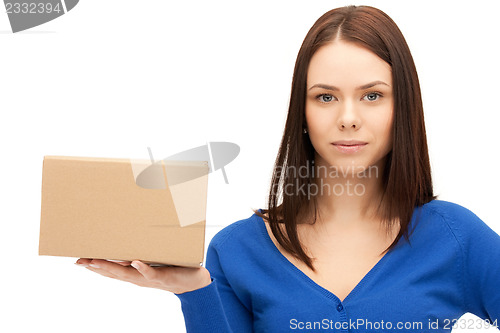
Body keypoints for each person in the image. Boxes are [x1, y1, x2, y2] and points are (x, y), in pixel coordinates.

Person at [75, 5, 500, 332]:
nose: (348, 117)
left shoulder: (458, 238)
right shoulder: (236, 251)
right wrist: (193, 292)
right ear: (302, 112)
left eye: (372, 96)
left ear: (402, 108)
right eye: (326, 97)